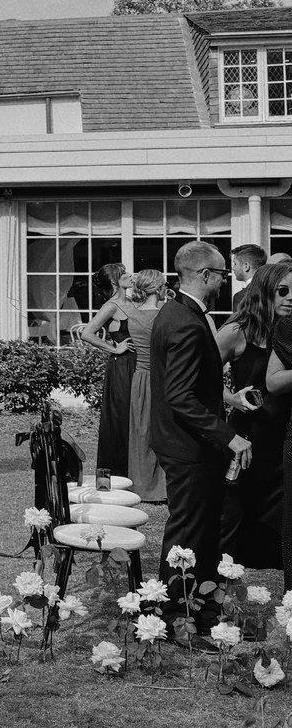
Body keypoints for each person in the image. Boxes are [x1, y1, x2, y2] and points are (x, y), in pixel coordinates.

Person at [150, 241, 252, 627]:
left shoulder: (177, 311)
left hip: (183, 441)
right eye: (223, 274)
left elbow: (192, 385)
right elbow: (178, 395)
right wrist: (229, 436)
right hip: (186, 445)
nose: (225, 281)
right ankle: (174, 614)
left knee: (199, 526)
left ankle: (196, 606)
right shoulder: (185, 322)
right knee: (188, 530)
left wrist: (226, 397)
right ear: (206, 275)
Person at [218, 261, 291, 572]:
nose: (290, 298)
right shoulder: (238, 331)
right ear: (265, 293)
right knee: (236, 512)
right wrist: (231, 397)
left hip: (281, 435)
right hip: (247, 435)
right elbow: (195, 377)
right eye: (283, 291)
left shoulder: (288, 332)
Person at [78, 263, 133, 476]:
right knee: (121, 417)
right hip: (122, 367)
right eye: (124, 273)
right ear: (114, 281)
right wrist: (114, 348)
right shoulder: (111, 306)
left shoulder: (133, 302)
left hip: (140, 365)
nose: (129, 275)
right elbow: (87, 333)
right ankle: (118, 473)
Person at [123, 270, 168, 498]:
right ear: (158, 288)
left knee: (141, 432)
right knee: (162, 432)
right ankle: (160, 488)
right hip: (160, 377)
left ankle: (141, 485)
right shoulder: (163, 315)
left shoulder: (133, 315)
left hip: (140, 378)